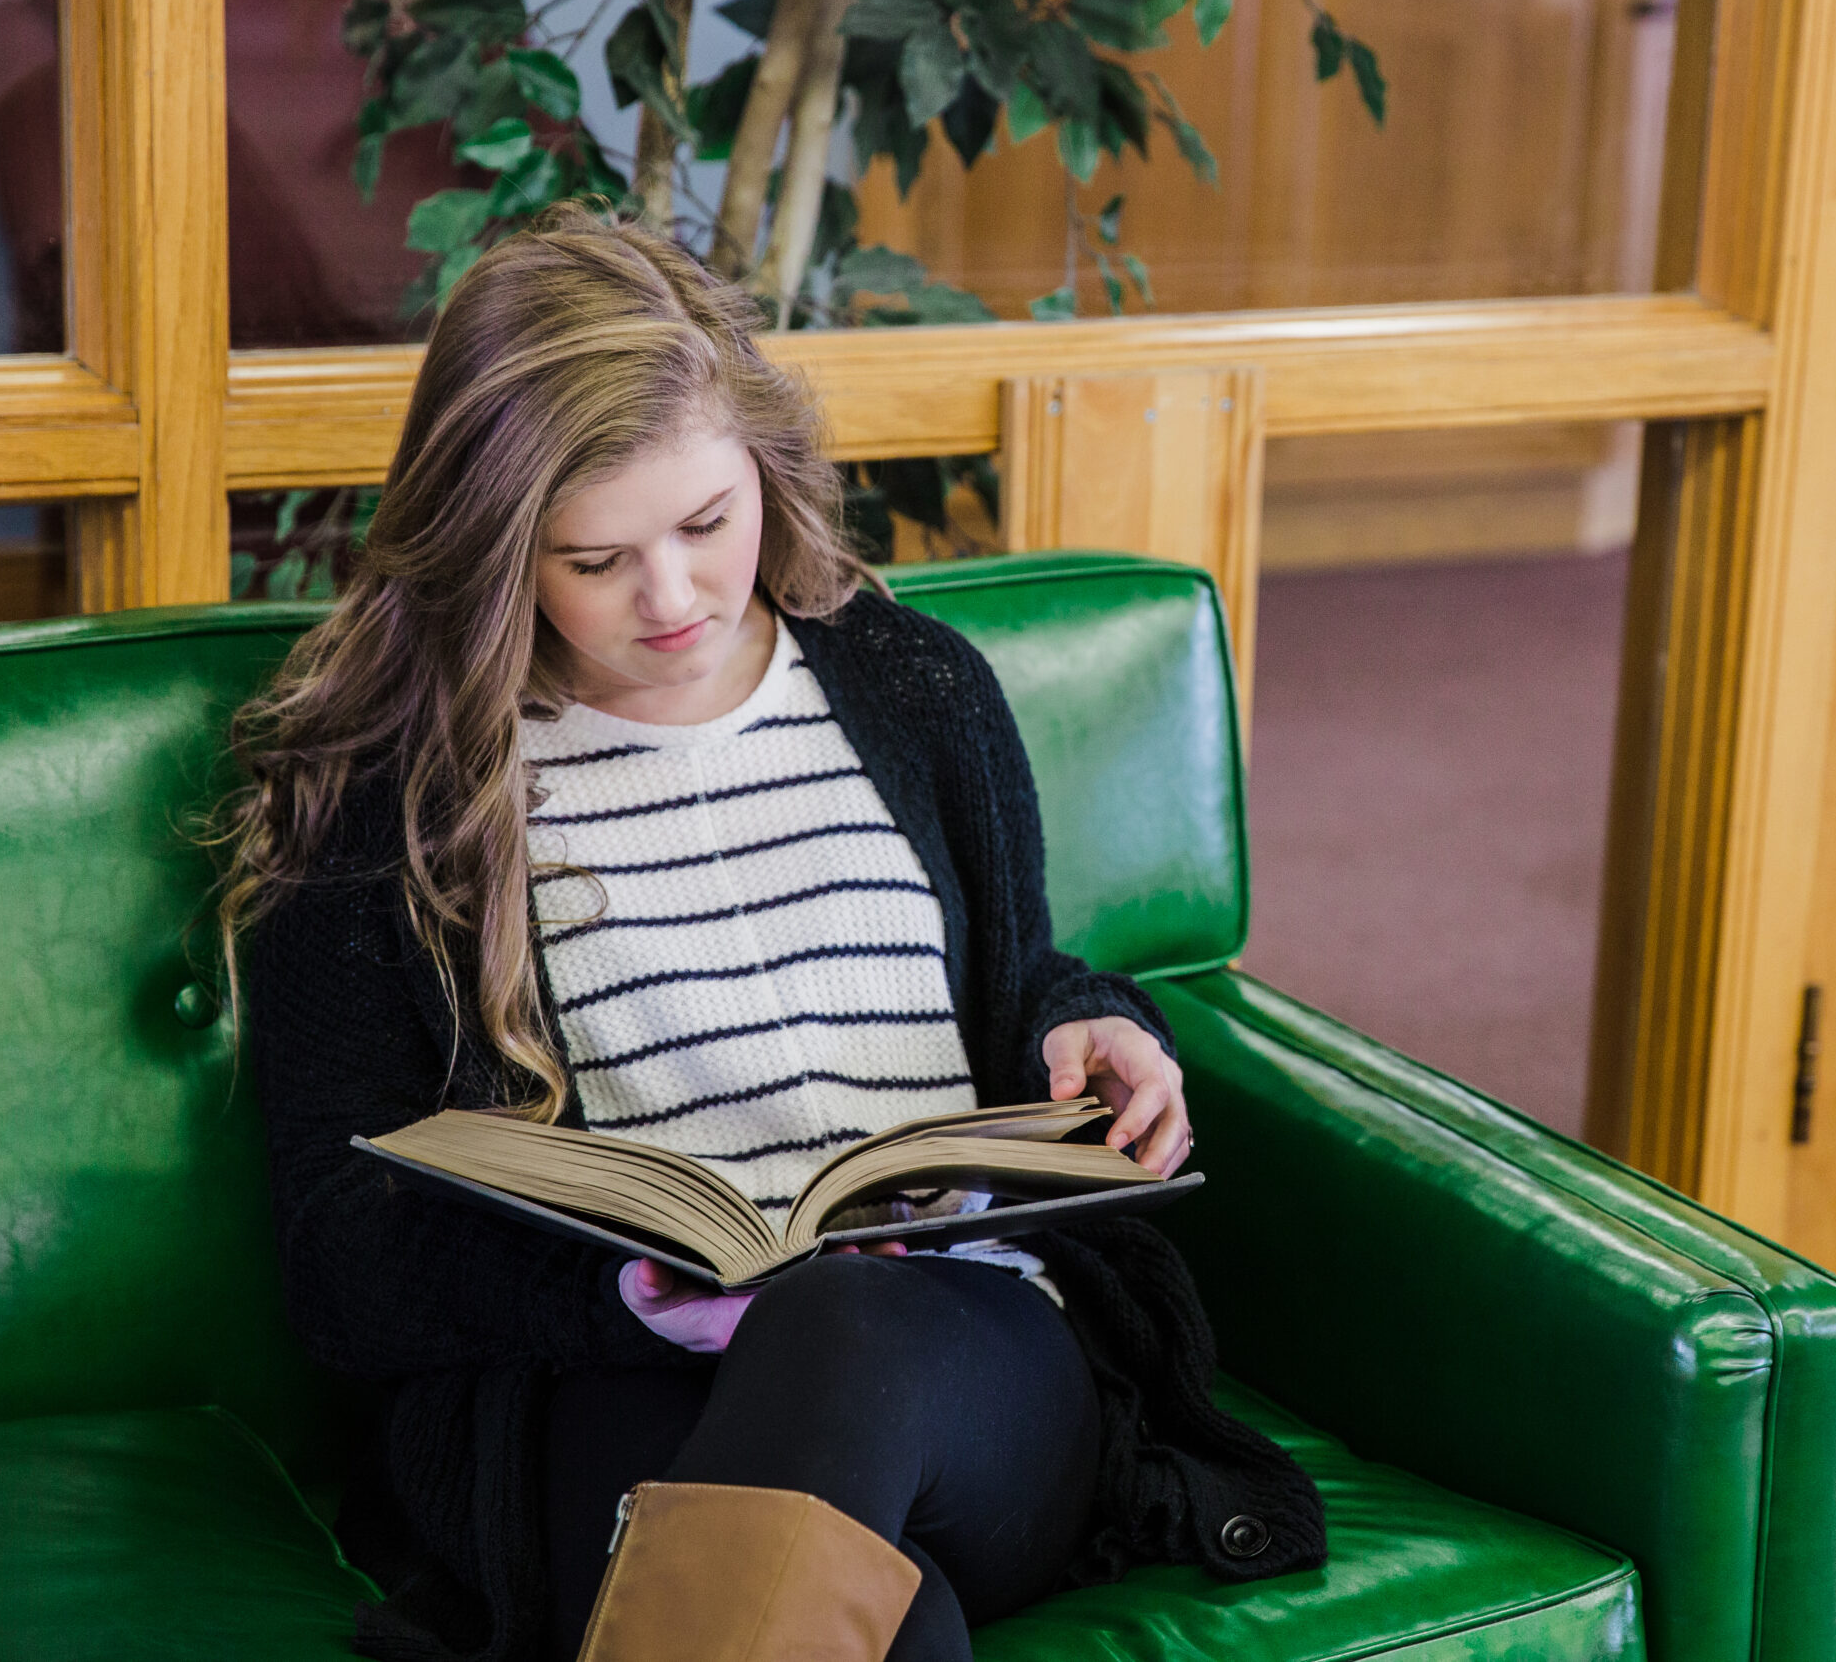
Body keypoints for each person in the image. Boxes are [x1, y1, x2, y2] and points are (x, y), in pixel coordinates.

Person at [212, 204, 1320, 1662]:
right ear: (492, 550)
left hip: (964, 1358)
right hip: (606, 1380)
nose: (670, 598)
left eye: (704, 524)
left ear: (763, 470)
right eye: (595, 560)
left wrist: (1094, 1027)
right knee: (887, 1626)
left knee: (838, 1329)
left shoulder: (916, 687)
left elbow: (1023, 984)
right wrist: (615, 1294)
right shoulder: (389, 797)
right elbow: (337, 1265)